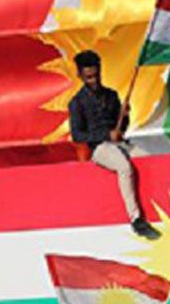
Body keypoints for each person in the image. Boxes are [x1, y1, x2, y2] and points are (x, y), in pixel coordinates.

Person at [68, 50, 160, 240]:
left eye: (96, 75)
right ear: (80, 76)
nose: (94, 80)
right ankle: (136, 219)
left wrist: (124, 116)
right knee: (123, 167)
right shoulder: (76, 103)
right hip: (99, 148)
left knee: (149, 158)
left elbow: (121, 128)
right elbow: (77, 135)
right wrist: (106, 135)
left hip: (120, 144)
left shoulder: (111, 95)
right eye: (89, 77)